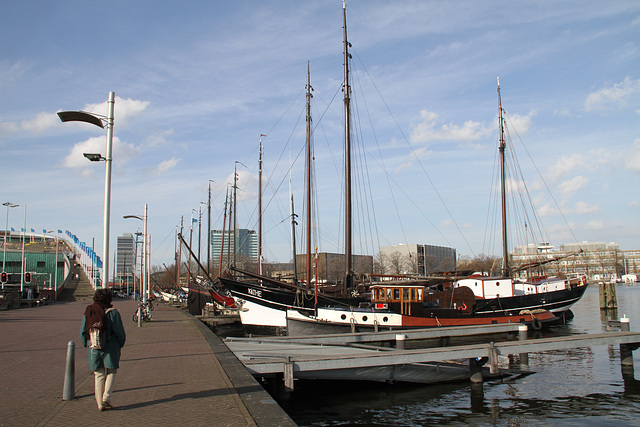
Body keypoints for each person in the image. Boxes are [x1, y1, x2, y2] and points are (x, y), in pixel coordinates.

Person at [80, 289, 126, 411]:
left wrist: (87, 344)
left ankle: (99, 403)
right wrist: (120, 344)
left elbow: (82, 331)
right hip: (110, 347)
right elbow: (119, 332)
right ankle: (106, 397)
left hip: (93, 347)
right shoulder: (113, 313)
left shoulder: (89, 311)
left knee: (98, 374)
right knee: (111, 371)